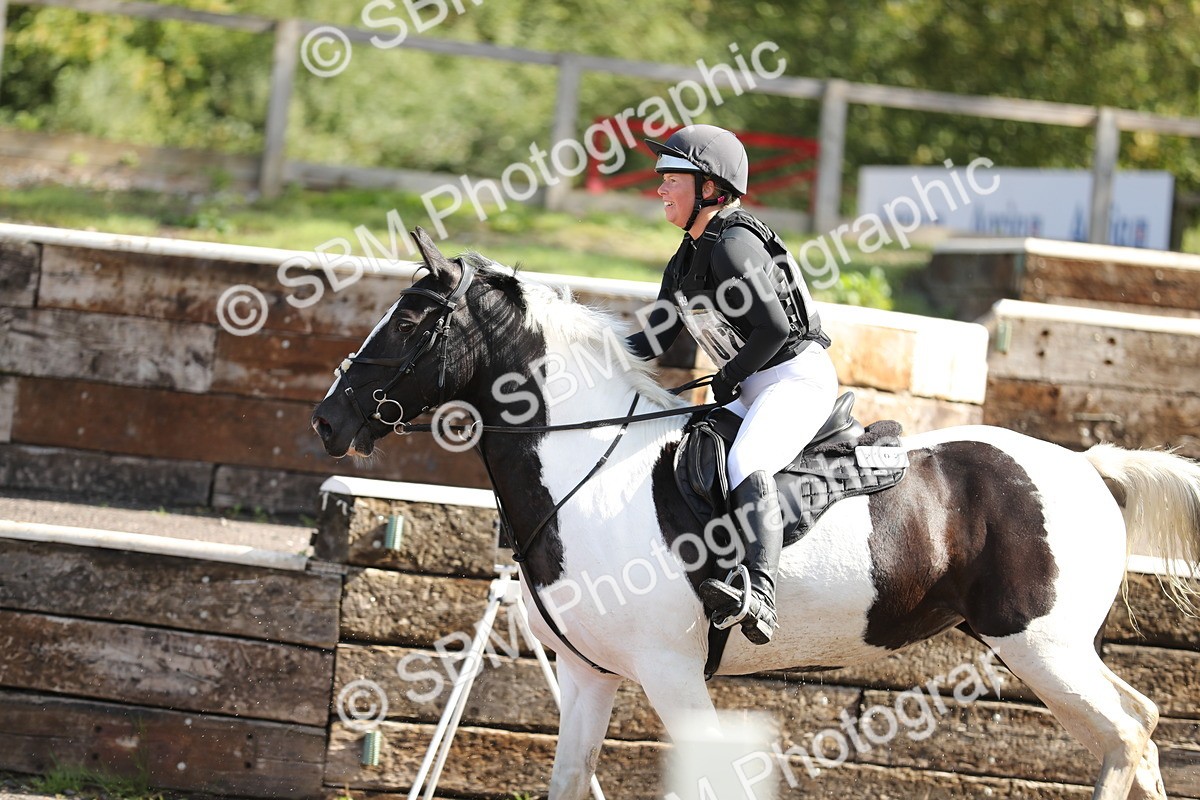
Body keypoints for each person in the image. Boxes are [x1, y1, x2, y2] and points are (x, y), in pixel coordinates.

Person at [626, 124, 838, 645]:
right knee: (691, 452)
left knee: (746, 460)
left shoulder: (734, 244)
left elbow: (775, 329)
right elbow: (653, 340)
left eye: (671, 178)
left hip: (795, 379)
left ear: (708, 187)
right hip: (753, 385)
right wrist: (582, 352)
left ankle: (761, 594)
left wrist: (729, 375)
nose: (660, 188)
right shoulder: (685, 259)